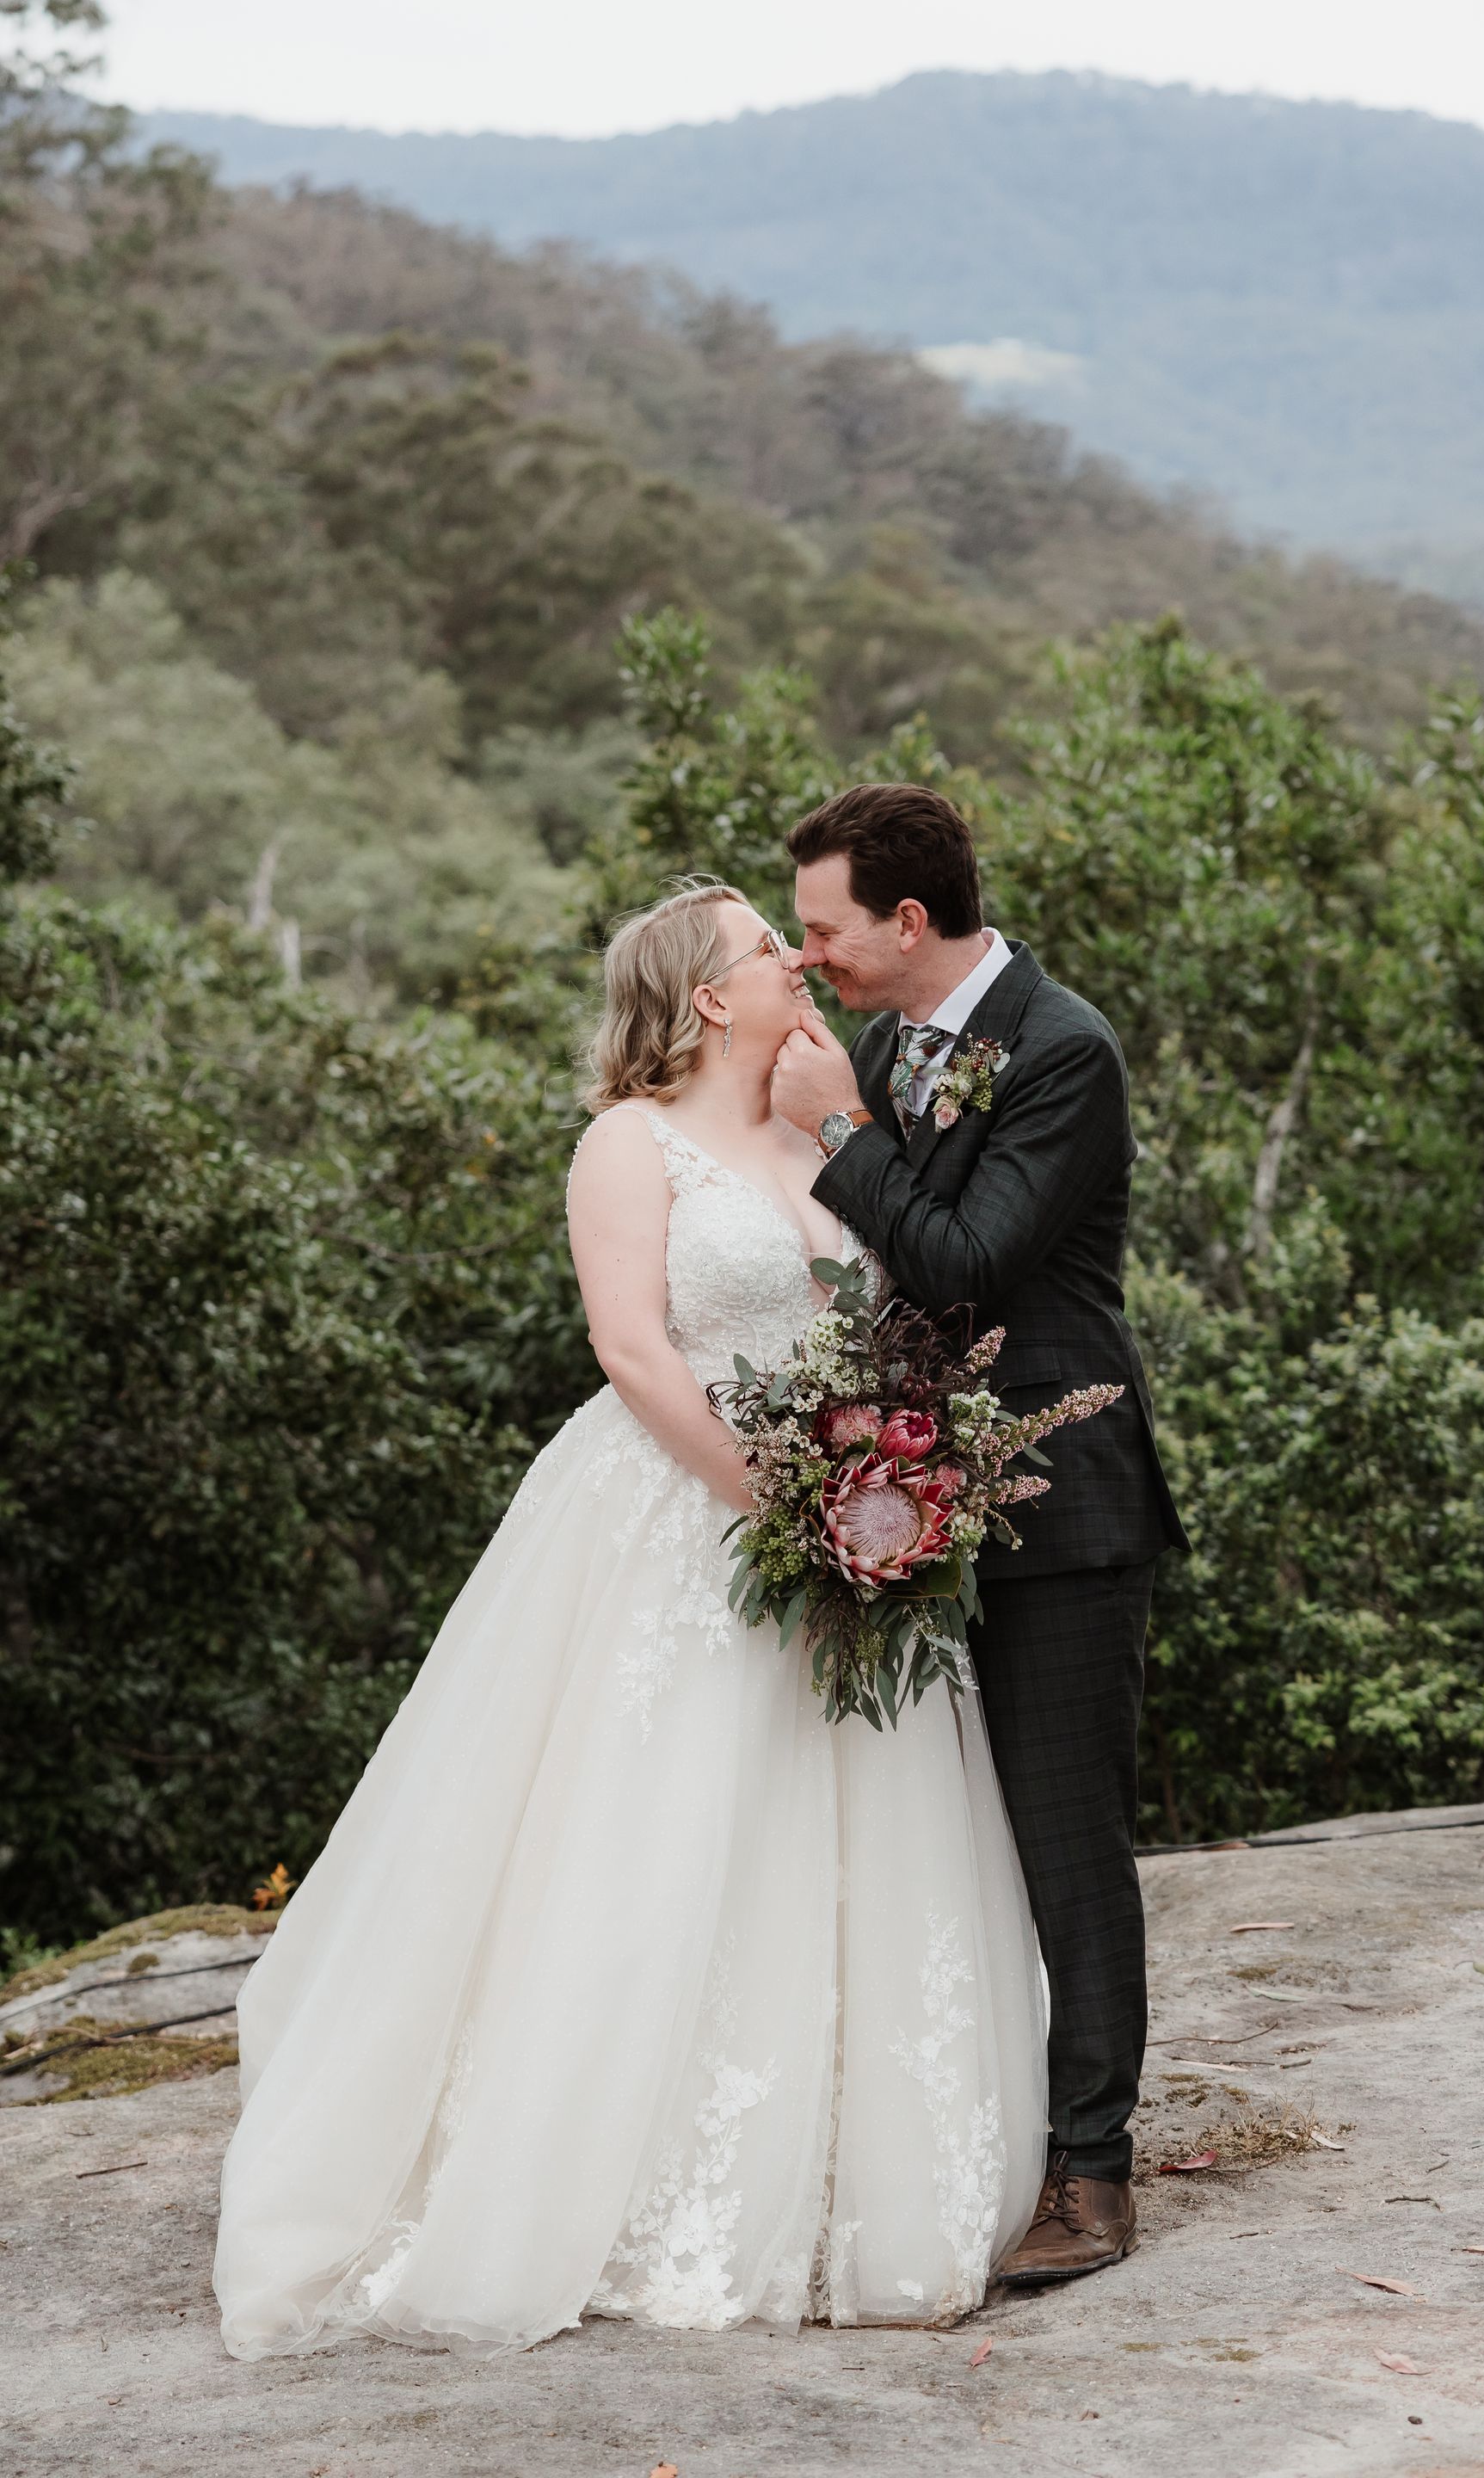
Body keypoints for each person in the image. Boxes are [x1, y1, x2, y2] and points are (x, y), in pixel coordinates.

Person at [213, 878, 1046, 2361]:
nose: (799, 962)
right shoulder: (627, 1143)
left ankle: (849, 2176)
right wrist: (778, 1506)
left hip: (846, 1519)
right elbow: (632, 1349)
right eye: (765, 951)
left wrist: (882, 1488)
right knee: (646, 1832)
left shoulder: (824, 1121)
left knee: (848, 1833)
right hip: (679, 1515)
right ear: (709, 998)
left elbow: (901, 1307)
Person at [773, 786, 1188, 2286]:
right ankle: (974, 2129)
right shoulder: (888, 1046)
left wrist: (829, 1129)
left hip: (1065, 1501)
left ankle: (1093, 2176)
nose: (811, 959)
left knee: (1068, 1840)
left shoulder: (1064, 1048)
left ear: (904, 918)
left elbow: (959, 1261)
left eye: (825, 930)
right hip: (912, 1497)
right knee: (938, 1834)